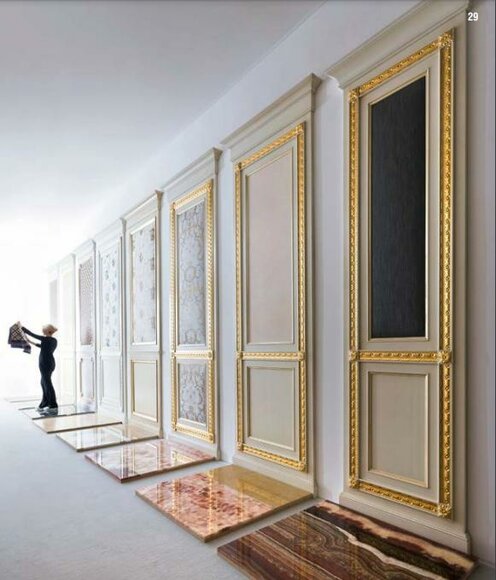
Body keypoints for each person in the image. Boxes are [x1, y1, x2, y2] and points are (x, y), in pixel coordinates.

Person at [21, 323, 59, 415]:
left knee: (47, 384)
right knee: (44, 383)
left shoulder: (45, 339)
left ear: (48, 331)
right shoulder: (53, 340)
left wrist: (21, 327)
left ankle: (53, 406)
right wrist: (30, 341)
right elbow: (43, 347)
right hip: (49, 363)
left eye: (44, 330)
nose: (42, 331)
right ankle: (44, 404)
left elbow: (31, 334)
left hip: (45, 363)